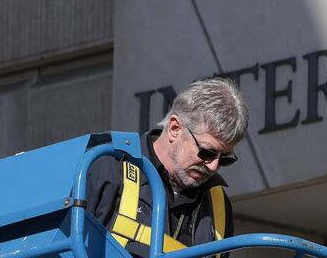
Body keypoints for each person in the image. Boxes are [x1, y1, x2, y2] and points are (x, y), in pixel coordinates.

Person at [83, 77, 248, 256]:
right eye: (207, 152)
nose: (214, 166)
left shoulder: (218, 207)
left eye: (224, 158)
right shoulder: (108, 167)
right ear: (175, 128)